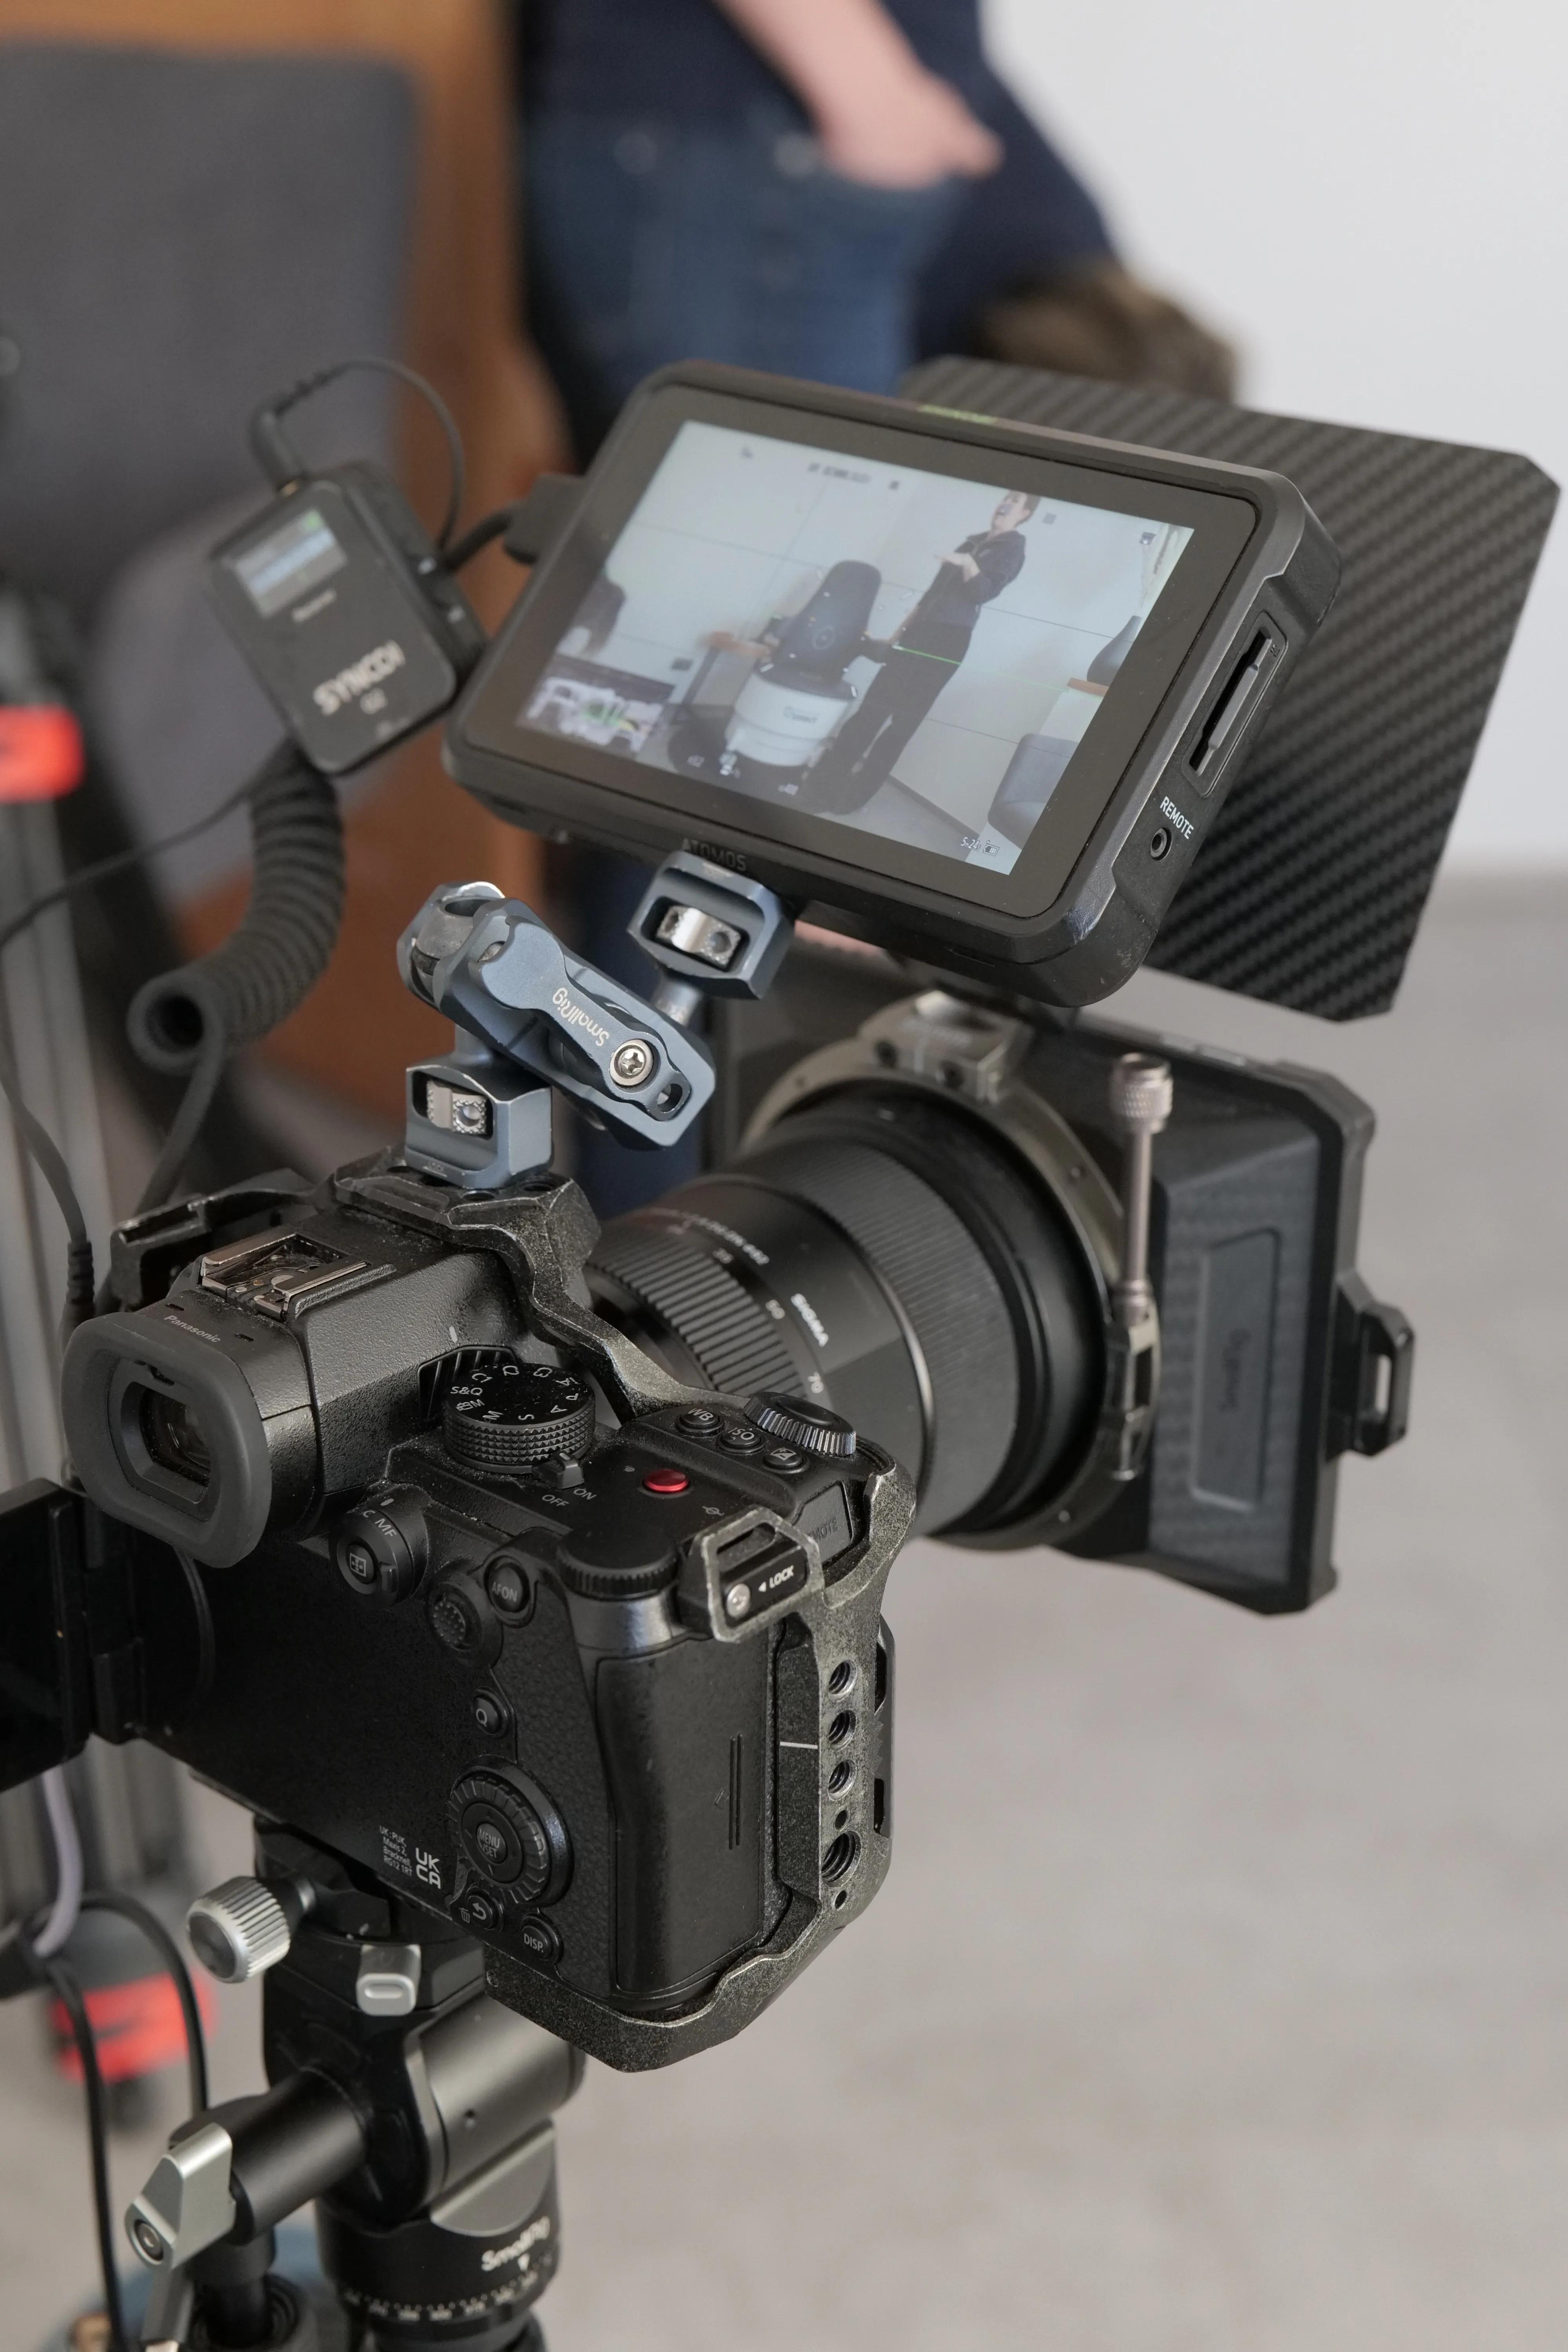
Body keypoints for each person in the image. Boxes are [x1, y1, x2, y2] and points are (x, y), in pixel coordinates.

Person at [805, 489, 1036, 814]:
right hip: (918, 634)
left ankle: (852, 798)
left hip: (948, 641)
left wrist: (968, 564)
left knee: (900, 725)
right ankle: (820, 787)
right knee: (870, 713)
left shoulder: (1012, 551)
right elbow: (930, 596)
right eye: (1006, 497)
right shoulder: (972, 542)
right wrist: (898, 634)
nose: (1006, 503)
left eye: (1015, 501)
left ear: (1025, 514)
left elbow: (983, 593)